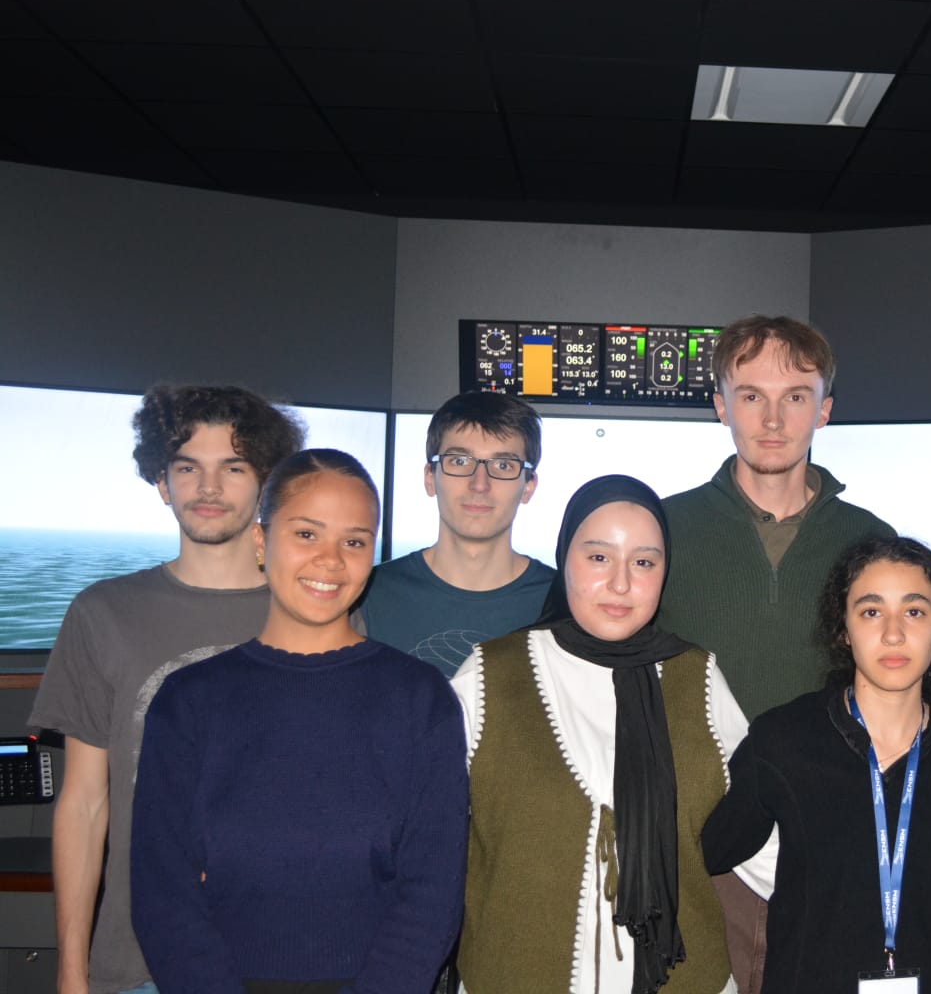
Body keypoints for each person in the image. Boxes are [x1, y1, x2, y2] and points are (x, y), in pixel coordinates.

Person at [130, 449, 468, 994]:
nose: (330, 560)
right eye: (307, 534)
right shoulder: (189, 700)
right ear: (260, 542)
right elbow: (161, 891)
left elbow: (433, 891)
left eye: (354, 542)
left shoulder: (419, 697)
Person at [28, 383, 304, 994]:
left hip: (286, 959)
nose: (209, 487)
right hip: (139, 963)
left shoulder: (319, 611)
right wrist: (72, 970)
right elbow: (83, 804)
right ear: (161, 482)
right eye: (187, 467)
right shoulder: (103, 613)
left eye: (234, 467)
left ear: (266, 482)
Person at [451, 475, 774, 994]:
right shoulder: (490, 676)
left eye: (644, 562)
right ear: (564, 558)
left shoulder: (697, 677)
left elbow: (760, 833)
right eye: (599, 557)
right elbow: (426, 843)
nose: (621, 583)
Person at [655, 315, 892, 993]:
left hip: (831, 846)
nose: (772, 418)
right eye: (751, 395)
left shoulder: (871, 543)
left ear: (825, 410)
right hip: (695, 850)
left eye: (795, 396)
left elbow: (906, 699)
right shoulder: (663, 532)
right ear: (720, 405)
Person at [703, 536, 931, 993]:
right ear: (844, 629)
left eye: (914, 611)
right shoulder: (785, 739)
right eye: (871, 612)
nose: (893, 634)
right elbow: (708, 851)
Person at [358, 391, 552, 676]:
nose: (479, 484)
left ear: (528, 486)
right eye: (460, 461)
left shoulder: (561, 605)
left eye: (503, 465)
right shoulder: (368, 597)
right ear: (430, 478)